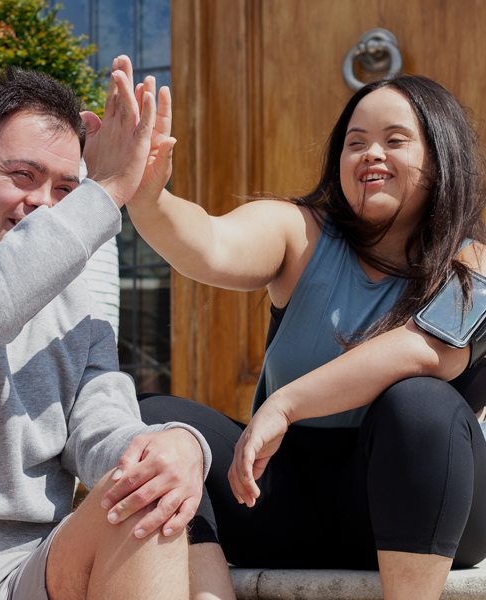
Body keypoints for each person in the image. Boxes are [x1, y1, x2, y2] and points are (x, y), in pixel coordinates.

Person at [118, 72, 486, 600]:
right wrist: (150, 199)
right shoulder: (300, 231)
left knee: (422, 404)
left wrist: (285, 404)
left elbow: (425, 349)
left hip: (426, 504)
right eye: (354, 143)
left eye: (395, 140)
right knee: (148, 418)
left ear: (441, 156)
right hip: (284, 499)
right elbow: (212, 243)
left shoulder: (472, 264)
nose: (370, 154)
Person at [0, 58, 212, 600]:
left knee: (144, 489)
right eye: (23, 176)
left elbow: (103, 431)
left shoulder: (74, 306)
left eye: (66, 188)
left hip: (30, 574)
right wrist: (103, 192)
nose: (43, 203)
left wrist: (172, 449)